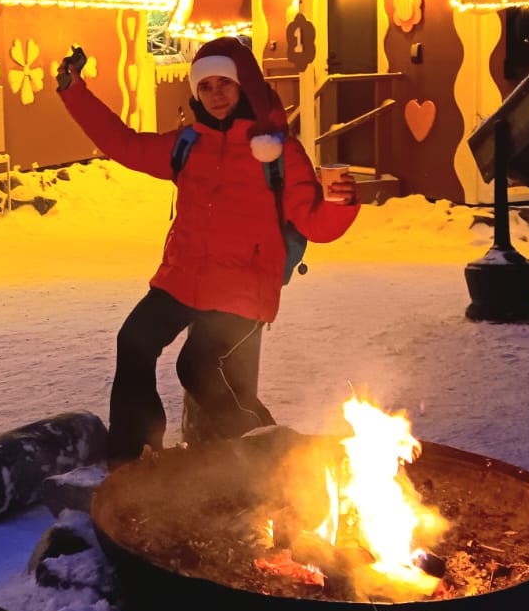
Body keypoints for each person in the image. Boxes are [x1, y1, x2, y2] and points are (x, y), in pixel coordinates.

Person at [56, 35, 359, 465]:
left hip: (244, 286)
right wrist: (75, 93)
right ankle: (134, 459)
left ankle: (277, 459)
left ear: (244, 86)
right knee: (135, 340)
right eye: (205, 86)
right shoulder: (187, 144)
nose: (216, 95)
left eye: (225, 84)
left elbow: (315, 224)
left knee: (198, 366)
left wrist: (339, 202)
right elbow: (124, 144)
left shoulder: (278, 152)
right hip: (184, 277)